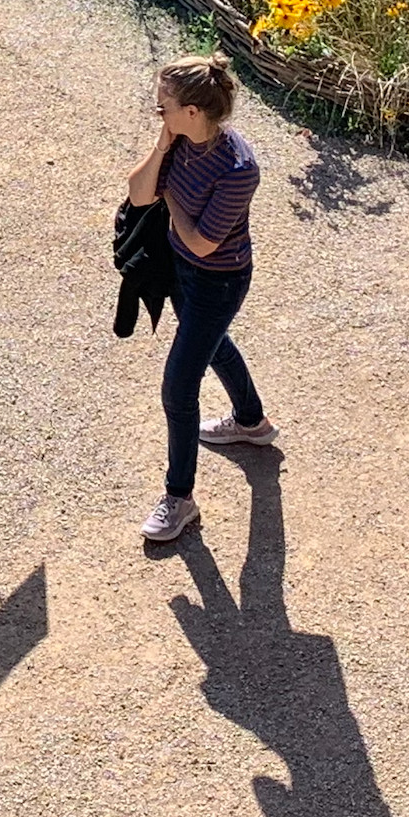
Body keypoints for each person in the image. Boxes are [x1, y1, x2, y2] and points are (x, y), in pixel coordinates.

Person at [126, 54, 277, 542]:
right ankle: (251, 423)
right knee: (213, 345)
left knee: (178, 387)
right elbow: (138, 193)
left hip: (218, 280)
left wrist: (168, 194)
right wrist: (161, 145)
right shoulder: (181, 140)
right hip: (180, 270)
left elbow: (201, 242)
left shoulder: (238, 168)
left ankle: (180, 497)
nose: (158, 113)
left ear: (192, 111)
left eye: (163, 108)